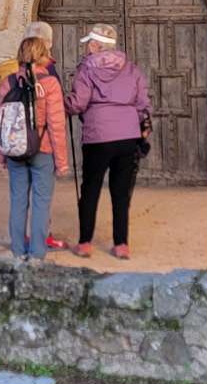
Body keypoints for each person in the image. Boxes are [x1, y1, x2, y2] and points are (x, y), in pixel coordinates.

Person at [64, 23, 150, 260]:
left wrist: (62, 104)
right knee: (121, 191)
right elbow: (143, 103)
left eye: (89, 44)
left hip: (98, 136)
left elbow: (79, 103)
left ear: (95, 45)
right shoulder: (131, 68)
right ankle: (121, 244)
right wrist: (139, 125)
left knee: (90, 188)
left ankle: (85, 243)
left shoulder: (86, 68)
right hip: (127, 135)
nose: (87, 49)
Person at [0, 36, 70, 262]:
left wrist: (0, 156)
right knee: (41, 202)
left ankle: (18, 252)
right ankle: (37, 254)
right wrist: (62, 162)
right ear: (42, 56)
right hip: (43, 149)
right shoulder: (50, 84)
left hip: (15, 150)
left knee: (18, 200)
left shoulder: (9, 82)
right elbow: (56, 125)